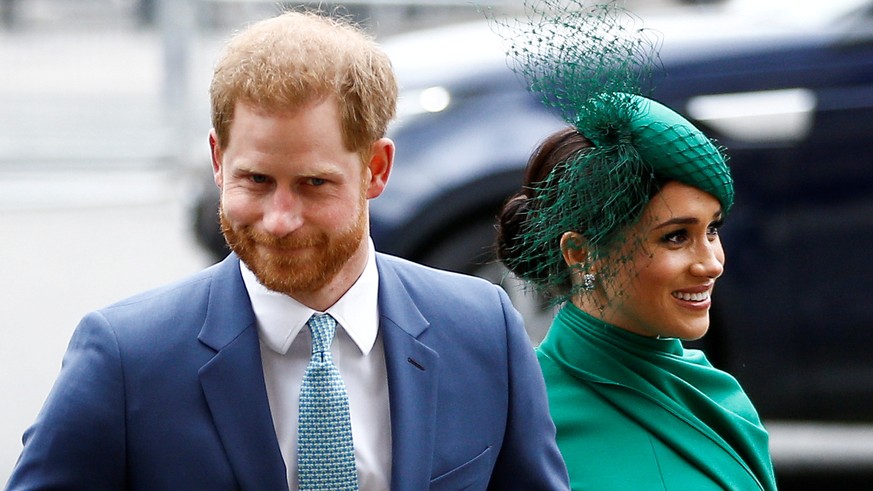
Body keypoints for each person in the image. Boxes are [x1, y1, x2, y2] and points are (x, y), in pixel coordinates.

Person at [7, 10, 569, 491]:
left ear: (376, 168)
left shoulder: (483, 330)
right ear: (217, 160)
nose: (279, 221)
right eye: (254, 180)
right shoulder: (126, 357)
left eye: (313, 184)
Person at [493, 2, 777, 490]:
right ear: (580, 252)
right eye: (674, 237)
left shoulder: (713, 387)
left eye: (713, 229)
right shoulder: (529, 423)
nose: (711, 263)